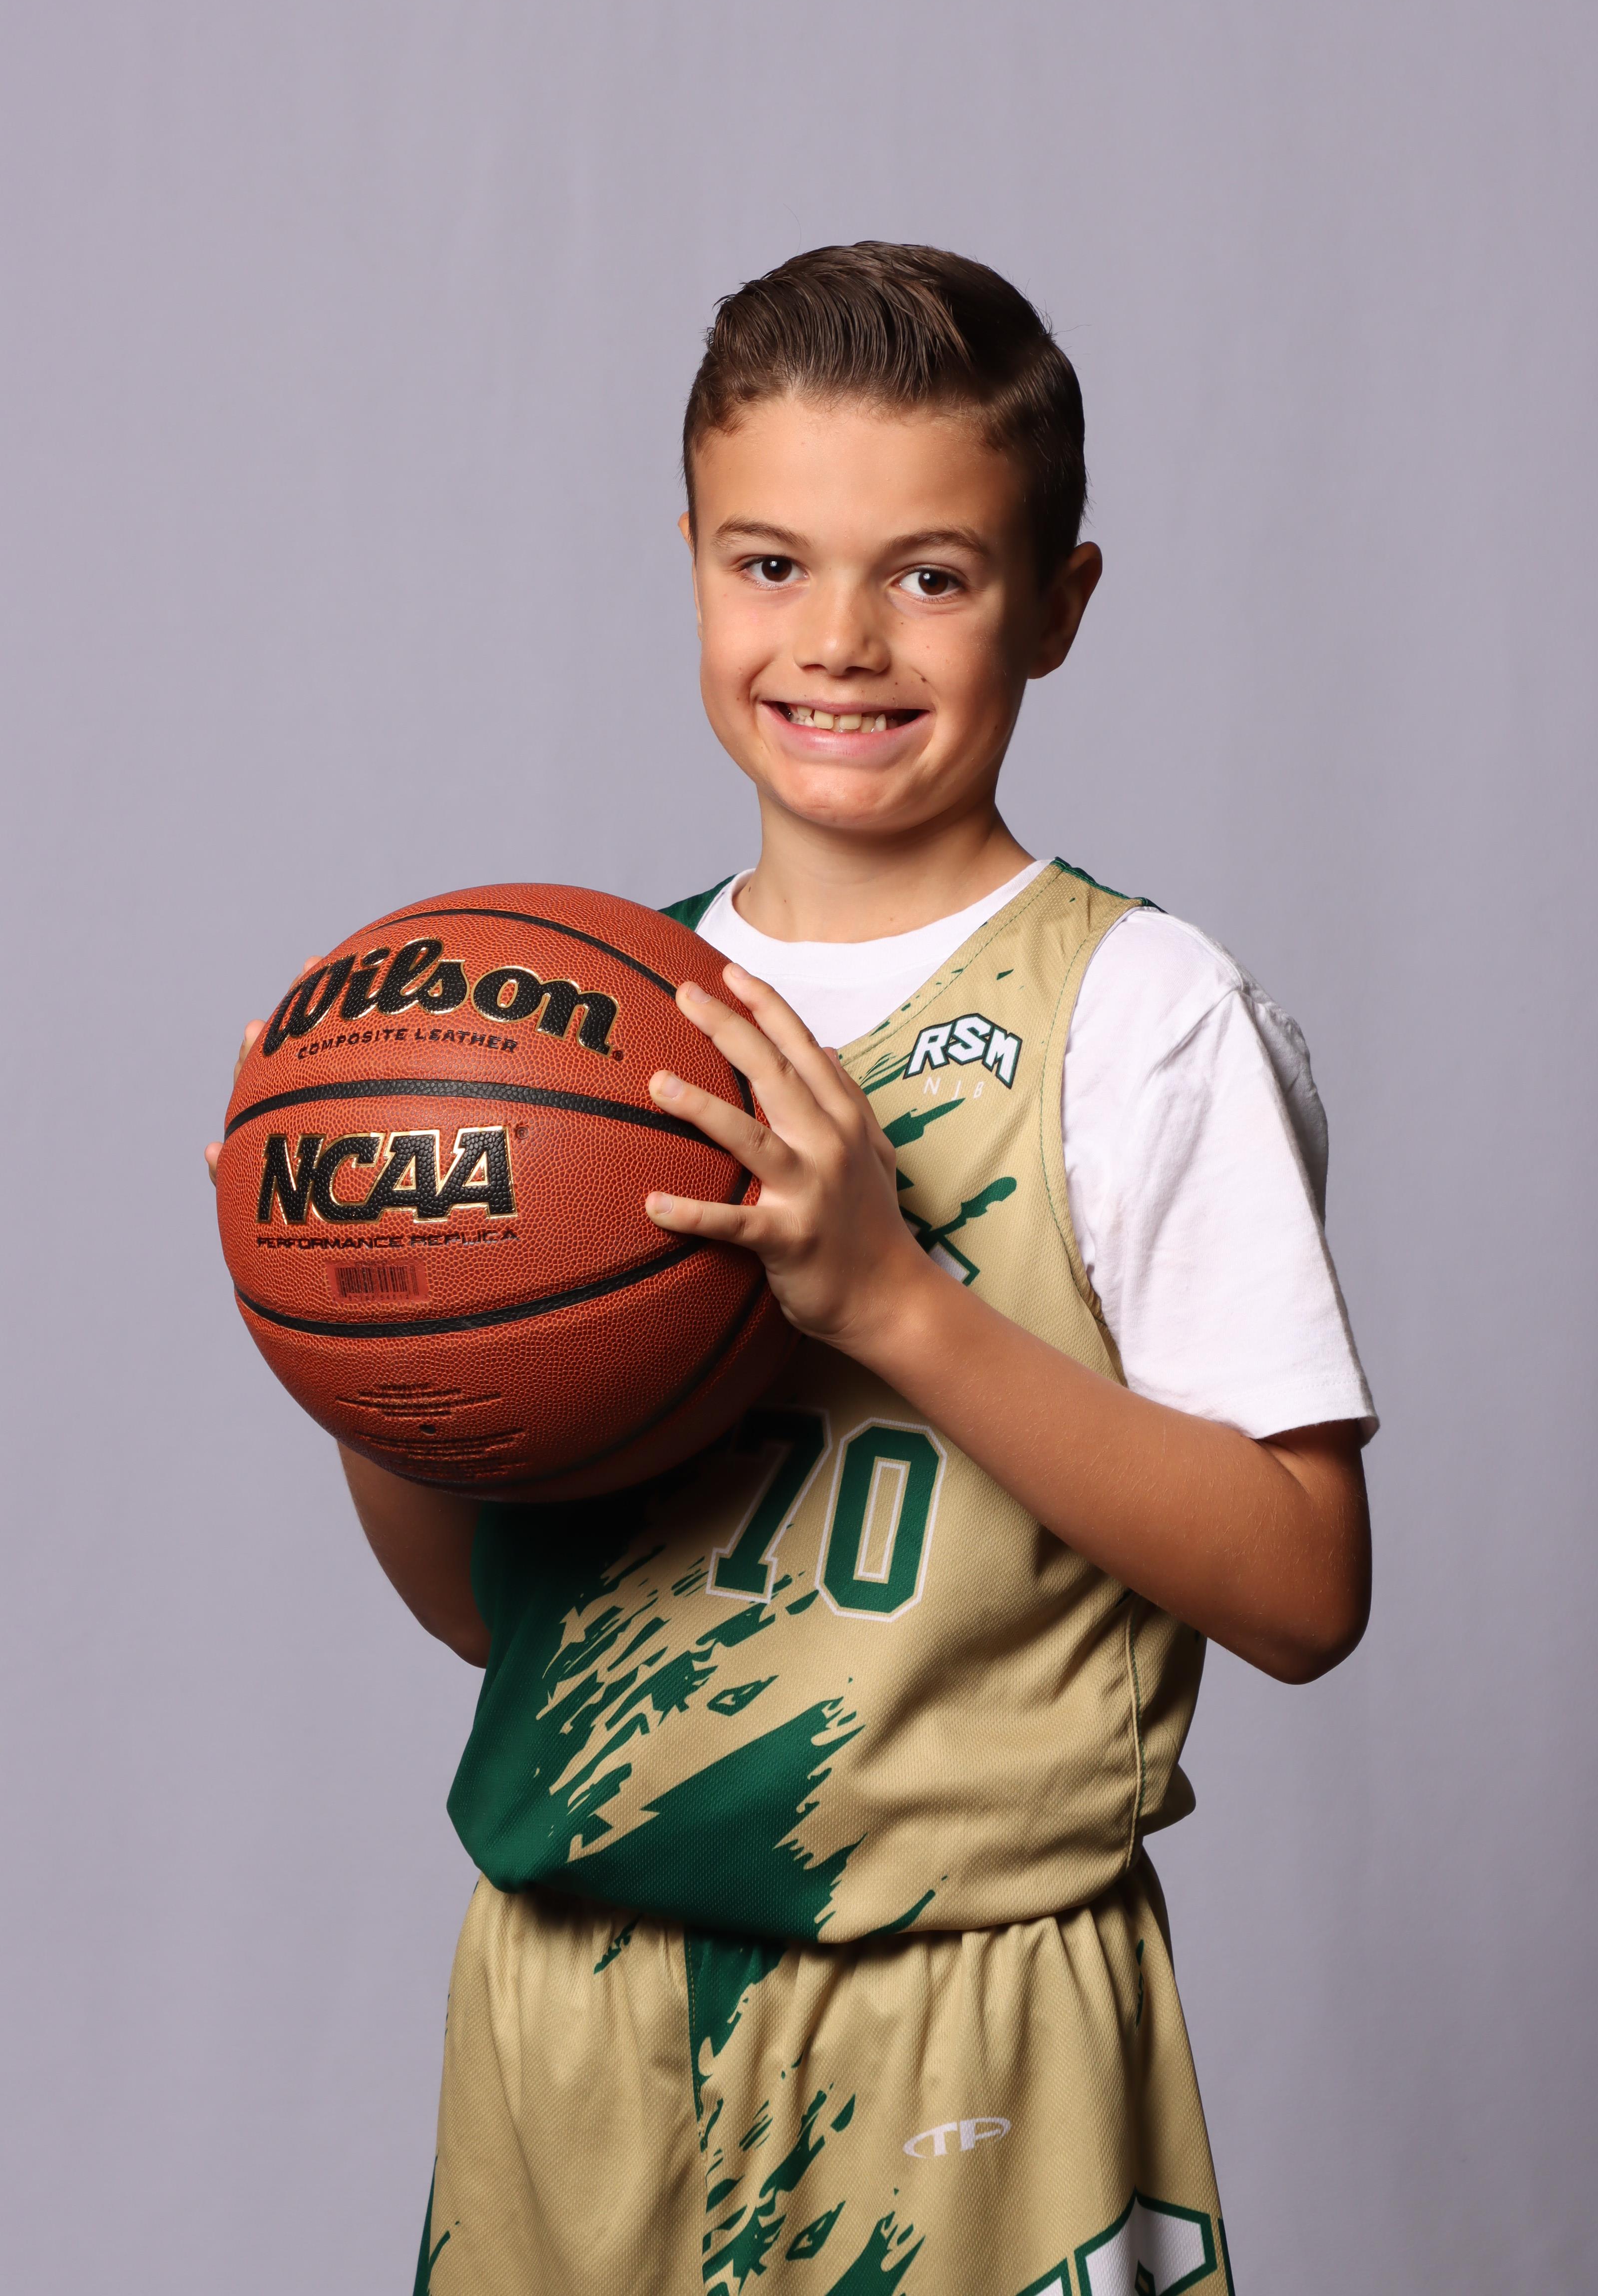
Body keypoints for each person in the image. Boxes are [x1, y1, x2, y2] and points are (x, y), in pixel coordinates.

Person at [211, 242, 1374, 2296]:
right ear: (689, 565)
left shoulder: (1138, 1019)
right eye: (769, 564)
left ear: (1057, 605)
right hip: (569, 1990)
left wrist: (894, 1305)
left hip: (958, 2008)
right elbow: (498, 1626)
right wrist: (355, 1318)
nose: (838, 639)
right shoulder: (594, 1024)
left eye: (928, 575)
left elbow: (1301, 1590)